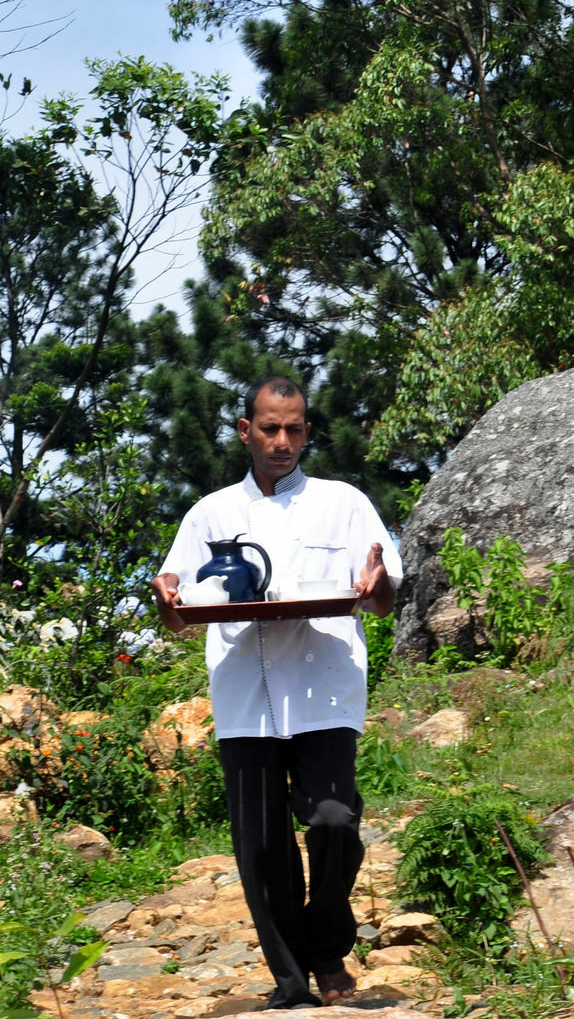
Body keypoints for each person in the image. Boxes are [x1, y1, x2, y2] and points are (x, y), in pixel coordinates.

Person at [149, 376, 400, 1010]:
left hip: (324, 687)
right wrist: (169, 603)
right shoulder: (210, 514)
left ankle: (326, 942)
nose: (282, 441)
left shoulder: (342, 503)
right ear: (245, 431)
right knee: (261, 848)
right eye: (270, 428)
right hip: (245, 696)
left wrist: (375, 586)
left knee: (334, 820)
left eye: (294, 429)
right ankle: (293, 982)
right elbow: (181, 609)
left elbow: (384, 587)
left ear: (308, 432)